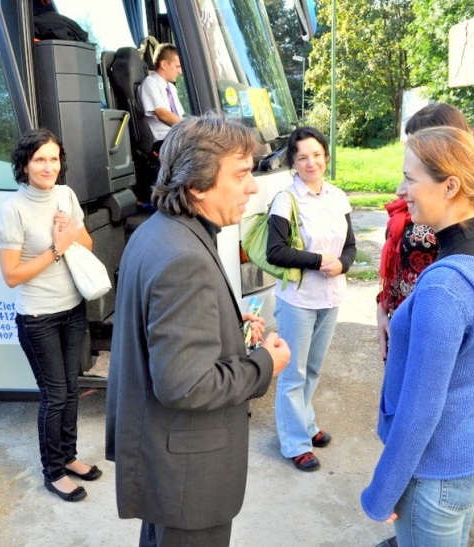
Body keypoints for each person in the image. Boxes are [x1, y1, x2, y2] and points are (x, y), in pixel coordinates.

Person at [105, 113, 291, 546]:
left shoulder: (160, 231)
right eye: (241, 174)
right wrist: (265, 363)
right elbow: (185, 385)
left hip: (167, 465)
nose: (253, 187)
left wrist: (228, 325)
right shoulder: (184, 258)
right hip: (188, 478)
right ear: (196, 185)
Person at [361, 127, 474, 546]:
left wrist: (381, 493)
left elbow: (421, 410)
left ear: (450, 186)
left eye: (410, 178)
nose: (401, 190)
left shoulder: (444, 287)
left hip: (439, 469)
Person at [0, 129, 102, 503]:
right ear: (24, 165)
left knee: (71, 390)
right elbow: (12, 276)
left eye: (54, 159)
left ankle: (68, 457)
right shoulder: (13, 209)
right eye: (39, 159)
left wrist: (70, 232)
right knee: (54, 396)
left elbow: (87, 244)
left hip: (72, 309)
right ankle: (53, 472)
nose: (48, 167)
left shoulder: (66, 195)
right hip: (38, 317)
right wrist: (56, 249)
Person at [266, 126, 356, 472]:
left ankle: (305, 422)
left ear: (326, 156)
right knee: (293, 372)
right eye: (302, 157)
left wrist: (343, 264)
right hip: (298, 299)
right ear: (293, 161)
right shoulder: (286, 199)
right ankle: (295, 443)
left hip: (331, 297)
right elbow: (275, 251)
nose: (311, 162)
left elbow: (350, 246)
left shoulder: (337, 196)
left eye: (316, 155)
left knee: (313, 368)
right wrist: (319, 261)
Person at [376, 103, 470, 363]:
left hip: (428, 327)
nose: (411, 149)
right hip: (400, 316)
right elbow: (400, 262)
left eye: (418, 142)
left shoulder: (462, 211)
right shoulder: (416, 200)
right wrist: (383, 305)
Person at [138, 43, 185, 145]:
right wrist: (188, 128)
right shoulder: (150, 83)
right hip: (165, 142)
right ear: (164, 64)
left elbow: (179, 116)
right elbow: (162, 114)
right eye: (177, 67)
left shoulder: (171, 88)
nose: (180, 72)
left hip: (177, 137)